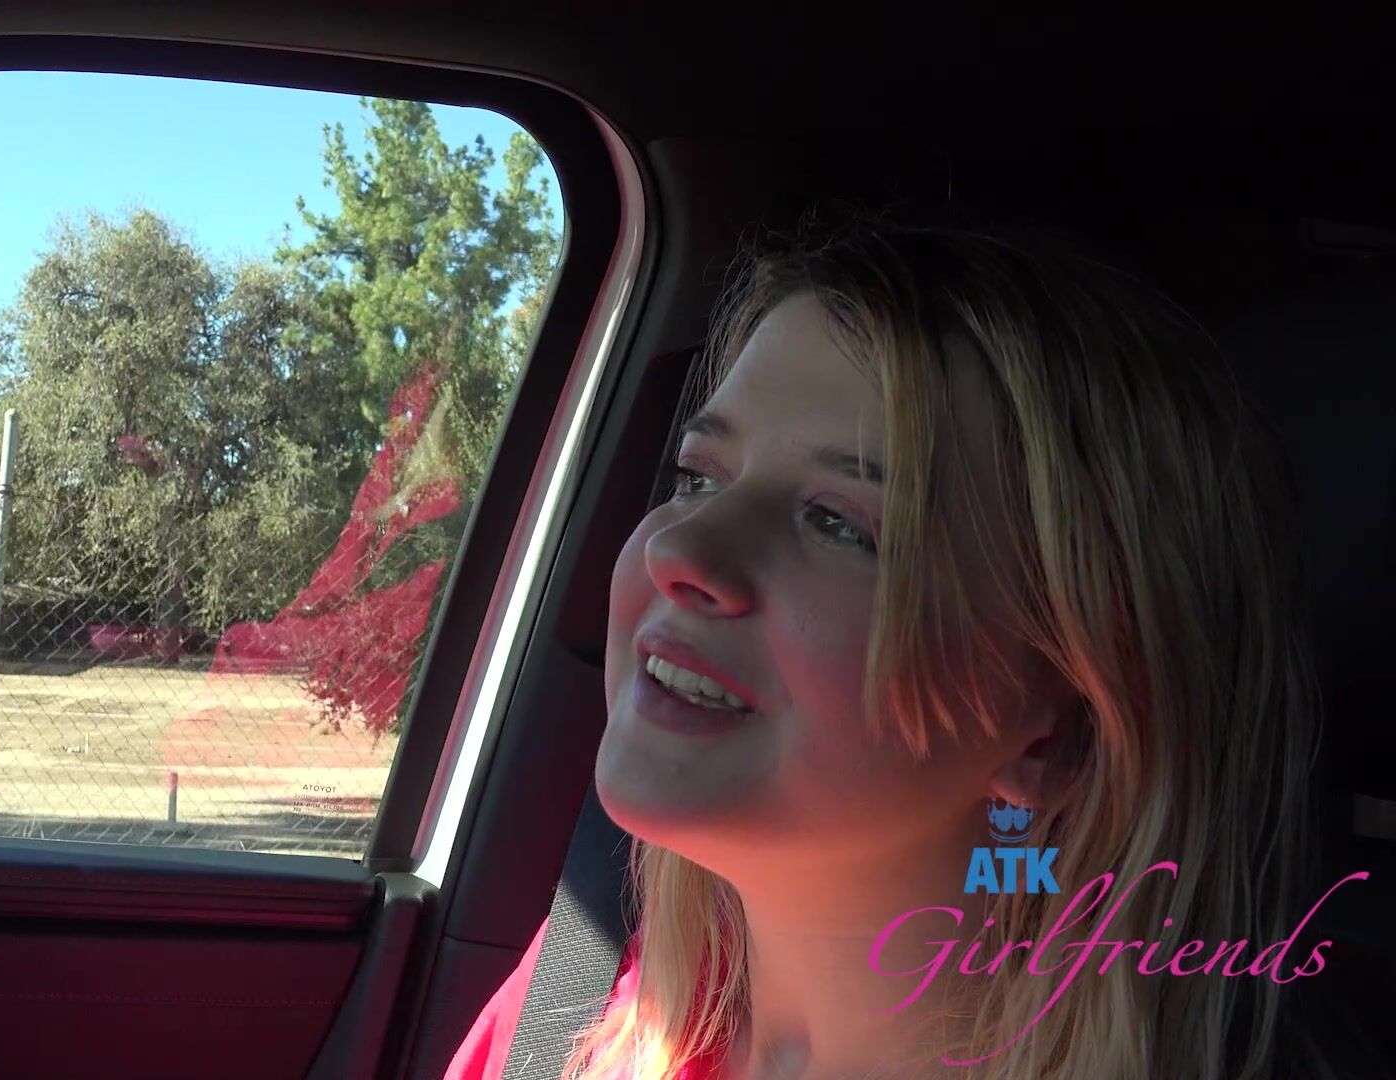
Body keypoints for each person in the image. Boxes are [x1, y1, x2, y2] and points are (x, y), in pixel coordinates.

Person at [444, 214, 1374, 1078]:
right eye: (697, 477)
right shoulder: (579, 1000)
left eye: (841, 524)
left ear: (1055, 737)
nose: (678, 551)